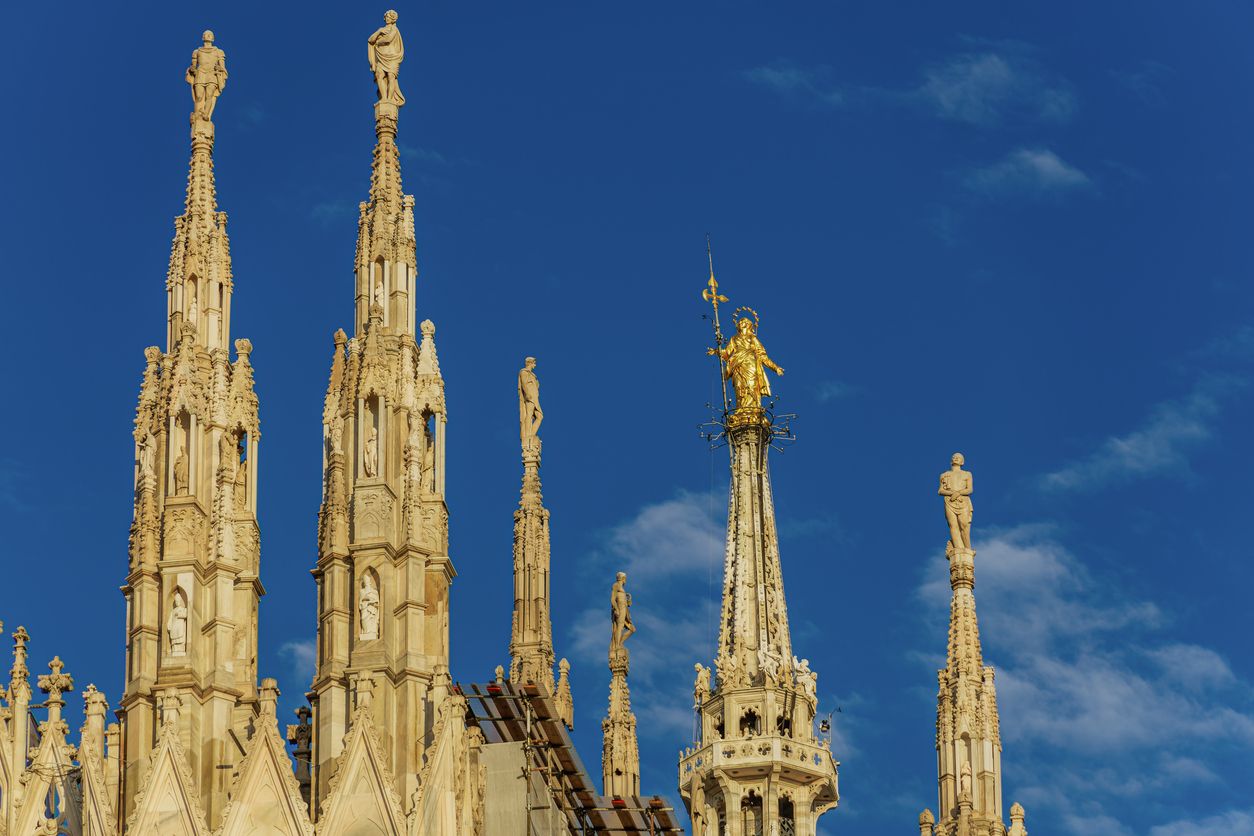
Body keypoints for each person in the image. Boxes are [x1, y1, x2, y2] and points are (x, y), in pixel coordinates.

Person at [186, 31, 228, 121]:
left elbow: (222, 67)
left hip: (212, 74)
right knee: (199, 96)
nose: (208, 36)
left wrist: (219, 68)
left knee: (210, 95)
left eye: (210, 35)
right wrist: (192, 69)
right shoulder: (196, 52)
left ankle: (206, 114)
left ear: (213, 38)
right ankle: (197, 113)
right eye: (206, 34)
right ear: (202, 37)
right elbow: (193, 65)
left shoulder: (218, 52)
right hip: (200, 73)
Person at [367, 11, 406, 105]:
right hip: (381, 57)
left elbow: (388, 39)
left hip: (392, 57)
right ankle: (384, 98)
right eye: (386, 17)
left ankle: (390, 99)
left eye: (389, 17)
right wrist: (379, 31)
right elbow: (370, 40)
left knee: (391, 76)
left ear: (393, 19)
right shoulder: (381, 29)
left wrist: (378, 42)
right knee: (379, 75)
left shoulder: (394, 29)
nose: (387, 18)